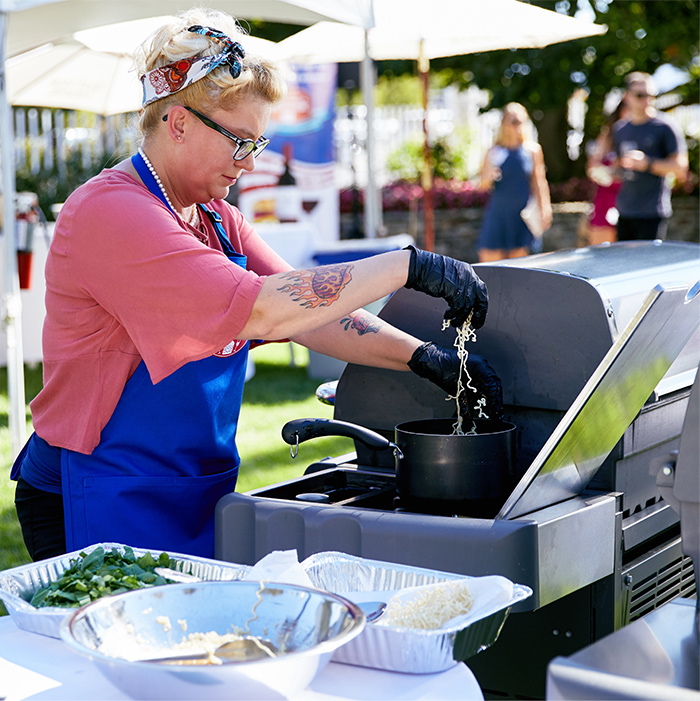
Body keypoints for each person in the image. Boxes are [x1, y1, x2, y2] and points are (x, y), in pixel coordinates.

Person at [11, 8, 503, 562]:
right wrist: (406, 266)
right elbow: (263, 311)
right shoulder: (111, 212)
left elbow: (306, 306)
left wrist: (427, 359)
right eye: (239, 140)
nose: (248, 162)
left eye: (258, 144)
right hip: (96, 487)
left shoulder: (215, 216)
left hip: (190, 484)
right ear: (179, 123)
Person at [611, 72, 688, 241]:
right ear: (627, 97)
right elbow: (618, 167)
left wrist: (647, 164)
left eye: (652, 95)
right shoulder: (620, 129)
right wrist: (607, 172)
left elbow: (680, 168)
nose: (647, 100)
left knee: (648, 265)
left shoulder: (665, 126)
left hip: (652, 212)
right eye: (640, 95)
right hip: (625, 211)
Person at [477, 103, 552, 263]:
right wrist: (488, 176)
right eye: (514, 121)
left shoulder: (532, 150)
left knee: (520, 268)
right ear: (504, 123)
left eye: (521, 121)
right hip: (499, 213)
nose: (518, 126)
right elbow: (483, 185)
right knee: (490, 263)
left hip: (522, 214)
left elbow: (539, 182)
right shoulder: (494, 151)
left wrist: (545, 208)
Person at [584, 101, 628, 245]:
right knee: (602, 255)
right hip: (606, 200)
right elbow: (592, 167)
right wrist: (610, 172)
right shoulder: (607, 136)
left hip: (632, 201)